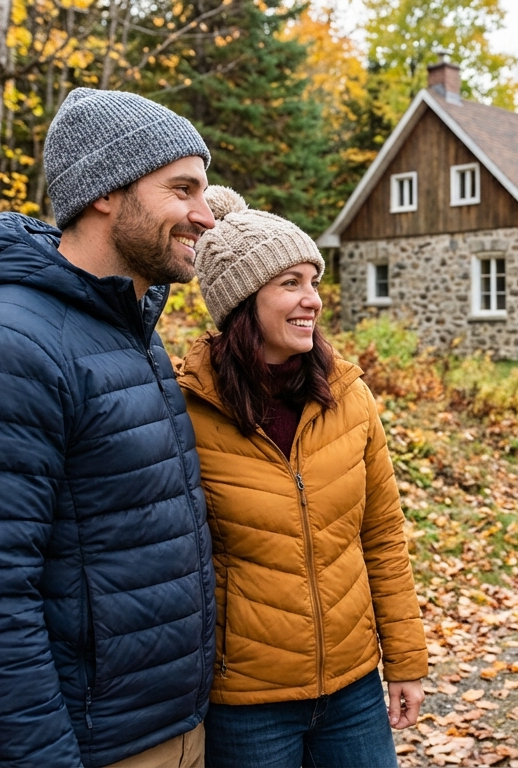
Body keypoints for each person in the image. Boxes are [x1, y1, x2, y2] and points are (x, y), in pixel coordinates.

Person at [0, 88, 218, 768]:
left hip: (175, 729)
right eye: (183, 189)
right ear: (106, 191)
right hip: (91, 747)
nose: (207, 214)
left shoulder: (128, 331)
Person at [175, 187, 428, 767]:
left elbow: (383, 537)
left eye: (313, 281)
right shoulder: (185, 408)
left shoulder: (348, 395)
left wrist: (406, 660)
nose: (312, 299)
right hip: (246, 702)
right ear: (242, 301)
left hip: (355, 689)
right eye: (290, 283)